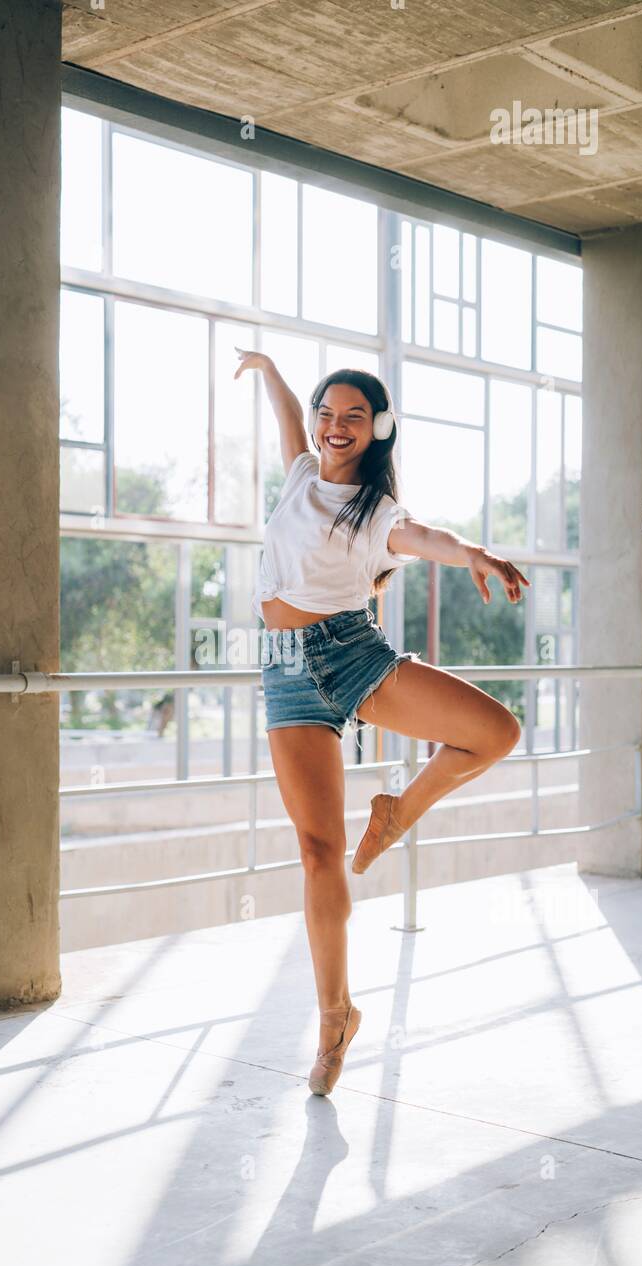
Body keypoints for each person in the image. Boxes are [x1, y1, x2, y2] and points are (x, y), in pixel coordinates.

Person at [234, 349, 529, 1097]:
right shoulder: (300, 473)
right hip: (286, 672)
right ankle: (335, 1016)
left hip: (351, 653)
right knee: (317, 851)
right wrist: (267, 368)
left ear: (377, 430)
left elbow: (428, 538)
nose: (336, 426)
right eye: (327, 414)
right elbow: (284, 421)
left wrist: (474, 554)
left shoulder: (376, 511)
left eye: (353, 417)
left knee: (495, 732)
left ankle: (400, 811)